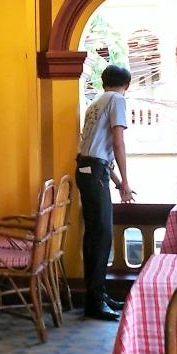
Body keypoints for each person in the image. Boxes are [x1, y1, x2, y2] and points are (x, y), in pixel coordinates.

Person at [75, 64, 135, 322]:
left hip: (87, 169)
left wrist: (118, 183)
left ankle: (97, 295)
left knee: (95, 235)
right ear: (127, 85)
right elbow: (117, 143)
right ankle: (95, 301)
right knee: (101, 236)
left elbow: (97, 153)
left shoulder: (95, 103)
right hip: (95, 172)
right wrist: (126, 182)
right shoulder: (117, 100)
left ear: (103, 82)